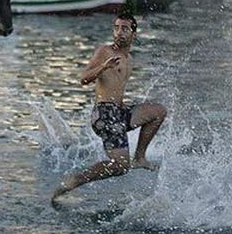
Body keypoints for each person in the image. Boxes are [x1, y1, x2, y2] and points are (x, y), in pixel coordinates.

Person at [52, 12, 167, 207]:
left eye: (124, 29)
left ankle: (139, 157)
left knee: (158, 112)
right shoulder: (104, 52)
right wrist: (103, 67)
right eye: (116, 28)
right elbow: (84, 78)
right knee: (121, 166)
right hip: (104, 114)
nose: (119, 32)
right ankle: (74, 181)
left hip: (119, 112)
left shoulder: (128, 58)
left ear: (133, 34)